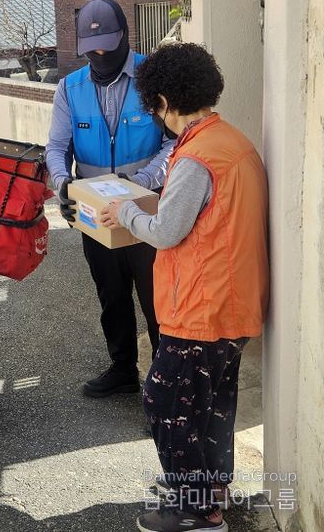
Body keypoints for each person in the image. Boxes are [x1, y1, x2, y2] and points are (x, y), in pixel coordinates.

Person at [100, 42, 269, 532]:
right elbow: (207, 214)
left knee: (165, 402)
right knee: (212, 404)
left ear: (163, 102)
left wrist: (126, 212)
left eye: (154, 107)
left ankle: (196, 512)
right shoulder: (231, 142)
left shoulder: (195, 157)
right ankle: (210, 488)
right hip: (233, 303)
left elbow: (167, 231)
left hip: (201, 307)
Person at [46, 0, 174, 398]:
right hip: (96, 216)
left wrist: (141, 183)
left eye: (108, 46)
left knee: (157, 300)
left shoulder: (153, 77)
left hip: (148, 212)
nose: (100, 55)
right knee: (111, 294)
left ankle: (165, 385)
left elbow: (175, 142)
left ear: (125, 36)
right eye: (92, 49)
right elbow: (56, 147)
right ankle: (122, 370)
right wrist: (62, 184)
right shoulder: (70, 89)